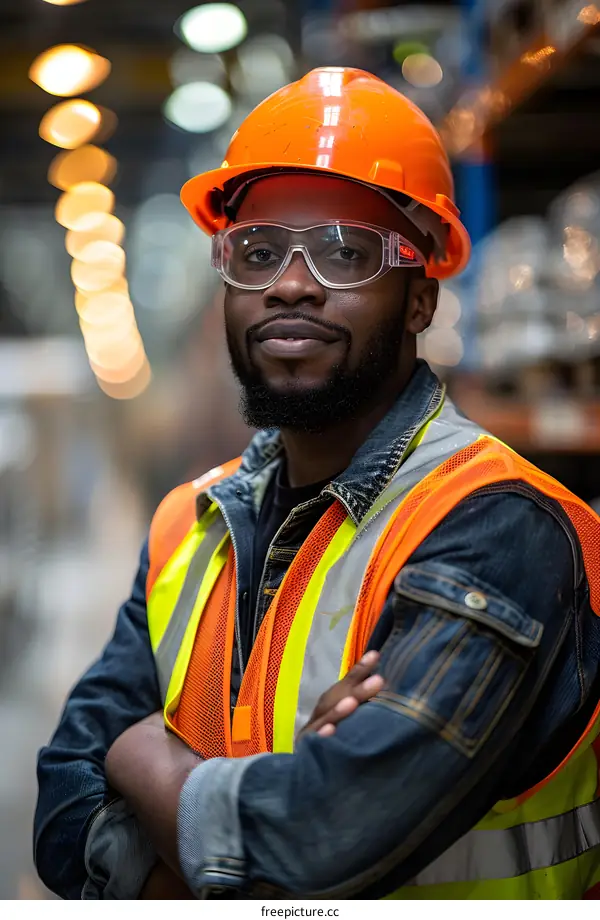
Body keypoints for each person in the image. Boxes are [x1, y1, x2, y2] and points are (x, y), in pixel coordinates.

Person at [34, 67, 600, 900]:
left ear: (419, 298)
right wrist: (256, 811)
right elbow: (58, 812)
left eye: (344, 252)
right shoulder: (188, 527)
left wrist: (139, 753)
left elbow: (305, 847)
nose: (290, 283)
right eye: (257, 252)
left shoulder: (496, 528)